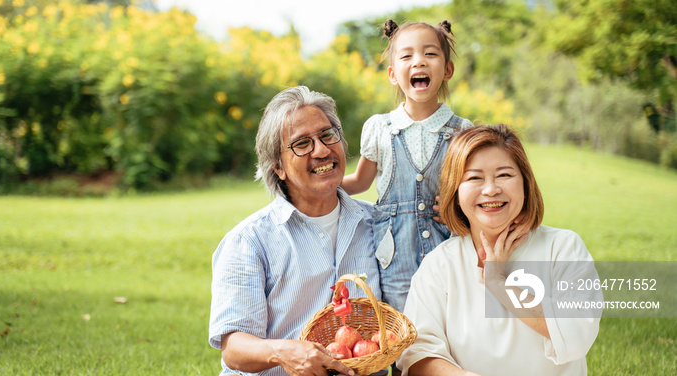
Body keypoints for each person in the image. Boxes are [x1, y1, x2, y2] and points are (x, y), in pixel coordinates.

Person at [397, 125, 601, 375]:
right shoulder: (440, 265)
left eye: (504, 175)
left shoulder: (563, 247)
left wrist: (499, 284)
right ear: (456, 192)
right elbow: (418, 354)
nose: (491, 189)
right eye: (474, 178)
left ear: (525, 183)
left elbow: (578, 331)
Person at [208, 86, 382, 376]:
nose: (323, 150)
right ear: (278, 167)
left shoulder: (378, 223)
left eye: (327, 135)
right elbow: (234, 348)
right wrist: (283, 351)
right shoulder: (249, 241)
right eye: (302, 144)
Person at [341, 19, 473, 315]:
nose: (419, 62)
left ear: (447, 70)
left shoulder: (461, 132)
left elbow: (471, 186)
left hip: (447, 244)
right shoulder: (380, 128)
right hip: (394, 251)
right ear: (392, 74)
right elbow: (361, 182)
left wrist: (459, 209)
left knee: (448, 318)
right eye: (407, 56)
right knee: (401, 325)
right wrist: (316, 186)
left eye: (430, 54)